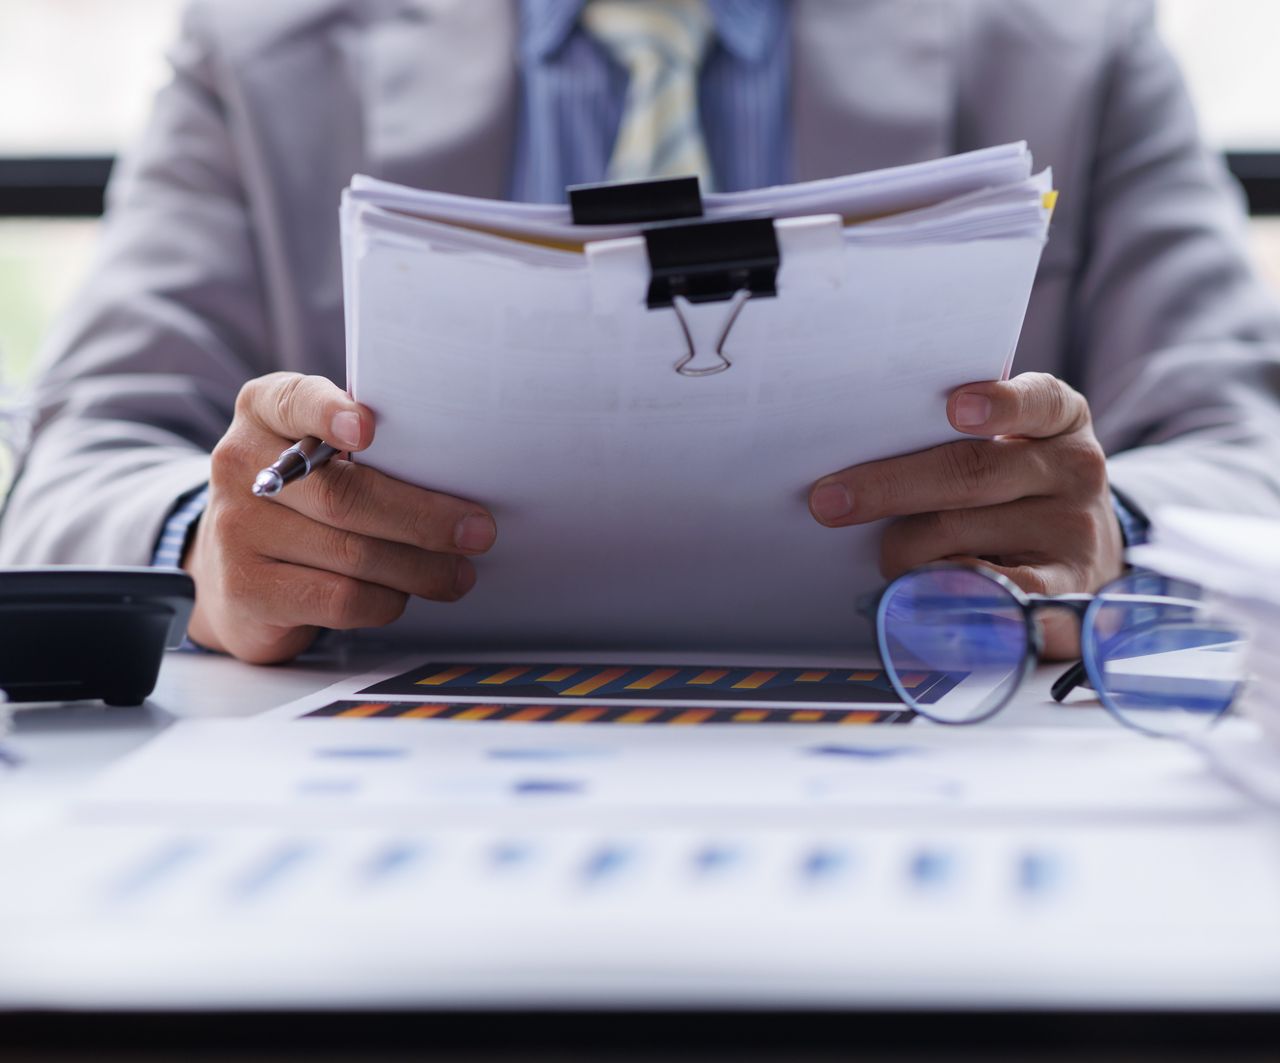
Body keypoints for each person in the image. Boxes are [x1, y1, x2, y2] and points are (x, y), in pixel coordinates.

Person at [2, 0, 1279, 664]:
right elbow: (77, 463)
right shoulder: (259, 49)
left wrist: (1101, 542)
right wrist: (217, 553)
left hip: (927, 733)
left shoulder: (1072, 41)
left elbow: (1246, 455)